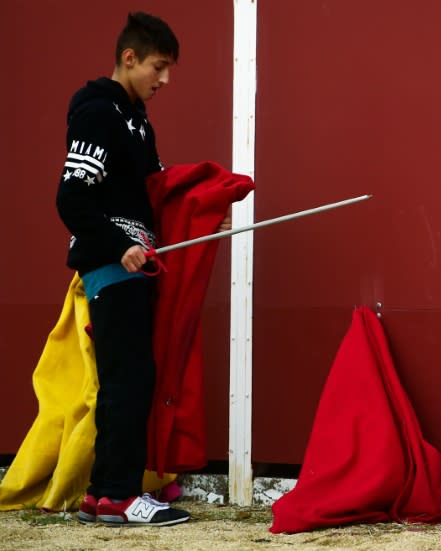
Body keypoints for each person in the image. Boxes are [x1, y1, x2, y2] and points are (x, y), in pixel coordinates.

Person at [56, 12, 227, 526]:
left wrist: (204, 196)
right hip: (113, 264)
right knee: (129, 379)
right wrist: (118, 244)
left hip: (134, 262)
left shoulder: (137, 119)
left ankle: (101, 494)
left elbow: (153, 191)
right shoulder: (97, 113)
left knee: (124, 379)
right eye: (159, 66)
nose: (165, 79)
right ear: (128, 58)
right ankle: (120, 496)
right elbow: (71, 198)